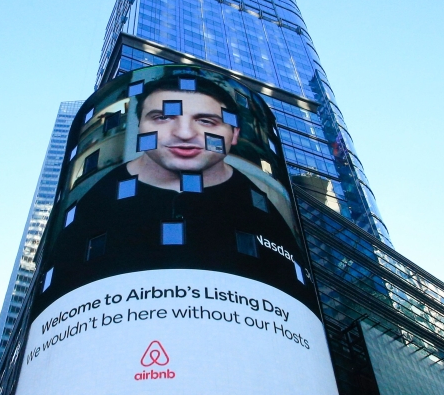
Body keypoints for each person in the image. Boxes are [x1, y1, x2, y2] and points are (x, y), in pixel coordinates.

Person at [37, 74, 314, 310]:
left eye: (206, 121)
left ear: (234, 134)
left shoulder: (264, 207)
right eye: (162, 117)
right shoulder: (93, 204)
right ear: (140, 127)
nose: (184, 133)